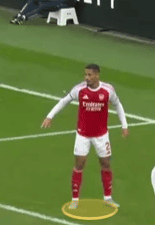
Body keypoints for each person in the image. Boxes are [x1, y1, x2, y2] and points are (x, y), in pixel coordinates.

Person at [41, 64, 129, 209]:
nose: (86, 78)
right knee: (79, 165)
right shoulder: (79, 89)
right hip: (83, 135)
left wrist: (124, 125)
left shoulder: (108, 90)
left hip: (101, 135)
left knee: (106, 164)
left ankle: (108, 198)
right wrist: (50, 116)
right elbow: (64, 101)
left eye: (89, 75)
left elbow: (118, 105)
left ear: (97, 75)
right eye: (85, 75)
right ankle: (75, 199)